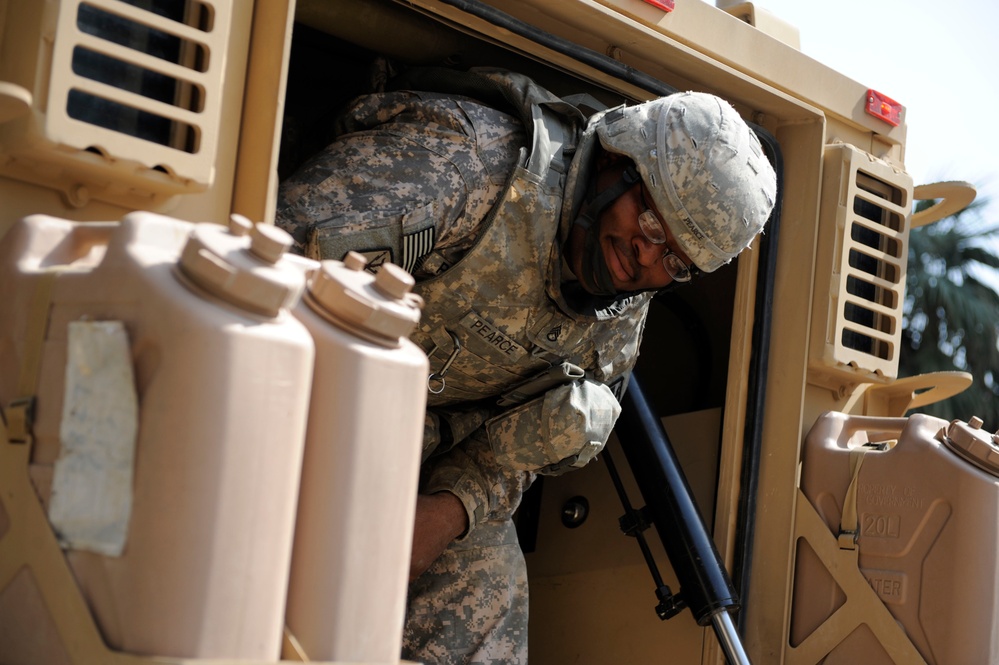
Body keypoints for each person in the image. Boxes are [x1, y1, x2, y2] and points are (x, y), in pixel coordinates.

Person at [276, 66, 777, 665]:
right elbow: (272, 263)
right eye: (649, 222)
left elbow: (521, 448)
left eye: (676, 258)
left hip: (407, 455)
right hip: (282, 396)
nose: (645, 256)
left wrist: (440, 517)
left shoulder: (617, 328)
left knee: (486, 587)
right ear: (618, 161)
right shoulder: (466, 164)